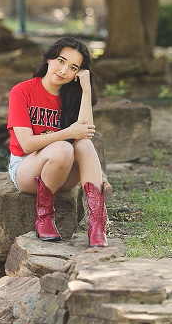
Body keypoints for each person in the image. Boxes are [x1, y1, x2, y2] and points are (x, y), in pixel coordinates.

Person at [6, 36, 110, 248]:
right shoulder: (22, 91)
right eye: (61, 61)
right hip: (27, 168)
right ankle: (44, 217)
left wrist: (86, 89)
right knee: (63, 147)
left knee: (83, 144)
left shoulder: (72, 95)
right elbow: (26, 145)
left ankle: (97, 224)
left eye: (73, 68)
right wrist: (66, 132)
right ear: (49, 58)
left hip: (63, 169)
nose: (63, 70)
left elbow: (85, 132)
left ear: (76, 74)